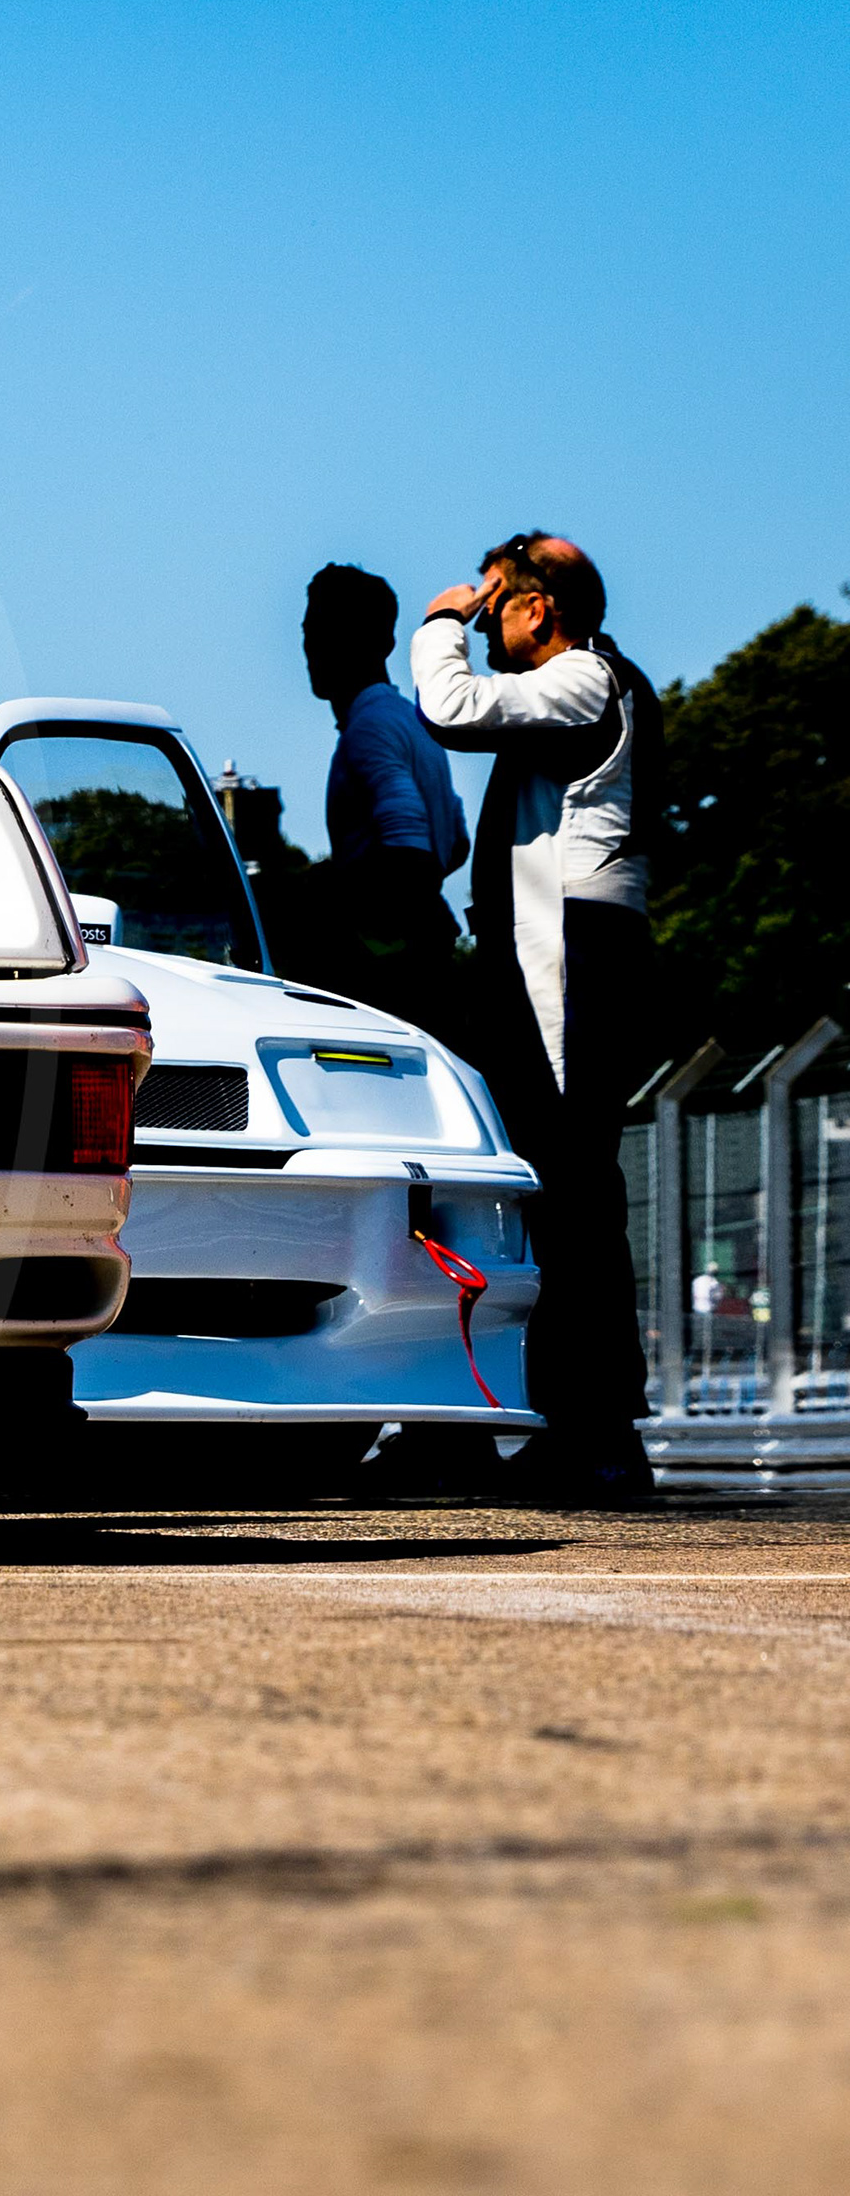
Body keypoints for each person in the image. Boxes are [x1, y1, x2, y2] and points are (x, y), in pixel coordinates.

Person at [412, 532, 664, 1505]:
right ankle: (576, 1423)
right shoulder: (583, 686)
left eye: (496, 601)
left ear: (537, 610)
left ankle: (600, 1432)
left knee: (575, 1194)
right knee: (559, 1192)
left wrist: (439, 623)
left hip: (574, 958)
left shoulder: (584, 680)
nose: (486, 617)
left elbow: (452, 704)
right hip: (548, 956)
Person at [297, 561, 468, 1031]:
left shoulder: (368, 730)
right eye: (311, 629)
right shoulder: (414, 721)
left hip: (392, 976)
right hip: (429, 956)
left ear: (383, 642)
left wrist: (326, 889)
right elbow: (455, 844)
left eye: (333, 629)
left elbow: (410, 850)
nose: (314, 645)